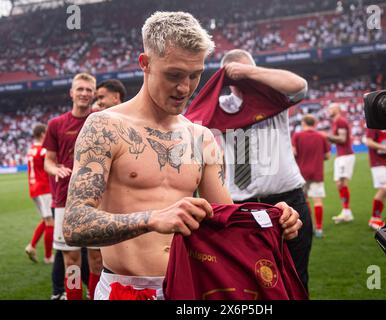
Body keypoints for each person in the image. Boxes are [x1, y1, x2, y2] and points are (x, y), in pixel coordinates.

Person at [62, 11, 301, 300]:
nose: (185, 88)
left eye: (195, 75)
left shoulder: (200, 137)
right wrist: (151, 219)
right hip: (125, 290)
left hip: (190, 287)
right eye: (174, 75)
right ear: (145, 63)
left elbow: (223, 219)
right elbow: (75, 224)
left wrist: (273, 219)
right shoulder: (105, 127)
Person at [207, 49, 312, 291]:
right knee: (250, 282)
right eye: (236, 77)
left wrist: (248, 71)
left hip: (288, 198)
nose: (244, 81)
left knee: (295, 276)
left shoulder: (274, 99)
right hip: (243, 204)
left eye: (247, 73)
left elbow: (299, 86)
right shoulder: (222, 107)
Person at [43, 72, 103, 300]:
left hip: (97, 198)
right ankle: (75, 296)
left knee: (97, 258)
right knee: (71, 260)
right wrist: (55, 168)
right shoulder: (56, 124)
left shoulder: (102, 118)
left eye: (89, 90)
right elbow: (48, 160)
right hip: (64, 199)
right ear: (72, 92)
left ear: (94, 93)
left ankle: (95, 295)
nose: (84, 93)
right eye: (80, 89)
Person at [292, 114, 331, 238]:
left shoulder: (297, 136)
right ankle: (319, 228)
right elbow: (327, 156)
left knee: (304, 200)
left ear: (303, 123)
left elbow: (293, 152)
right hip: (317, 172)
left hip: (301, 173)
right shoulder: (321, 137)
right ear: (314, 124)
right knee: (318, 201)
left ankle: (308, 227)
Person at [25, 124, 54, 264]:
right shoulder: (43, 151)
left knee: (46, 219)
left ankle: (32, 246)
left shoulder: (31, 150)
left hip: (34, 189)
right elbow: (51, 166)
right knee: (50, 222)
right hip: (44, 188)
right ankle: (48, 257)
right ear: (43, 134)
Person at [325, 103, 355, 223]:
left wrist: (327, 136)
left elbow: (342, 139)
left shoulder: (341, 121)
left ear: (337, 109)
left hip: (346, 155)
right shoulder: (336, 122)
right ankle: (346, 211)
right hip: (341, 155)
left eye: (330, 109)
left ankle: (347, 212)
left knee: (342, 183)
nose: (329, 111)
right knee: (339, 184)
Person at [365, 128, 386, 230]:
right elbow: (369, 142)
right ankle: (374, 219)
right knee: (384, 189)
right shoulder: (373, 126)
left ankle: (377, 218)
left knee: (385, 190)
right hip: (377, 162)